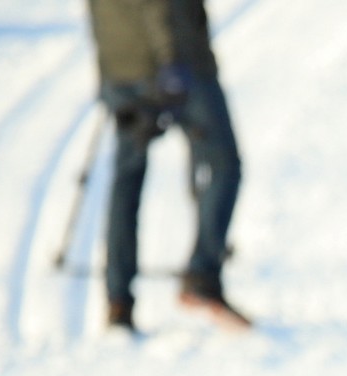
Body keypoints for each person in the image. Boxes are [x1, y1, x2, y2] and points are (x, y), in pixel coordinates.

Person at [85, 0, 248, 331]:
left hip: (122, 69)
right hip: (175, 64)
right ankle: (202, 274)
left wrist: (107, 74)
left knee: (127, 179)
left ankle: (118, 300)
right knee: (224, 163)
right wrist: (170, 60)